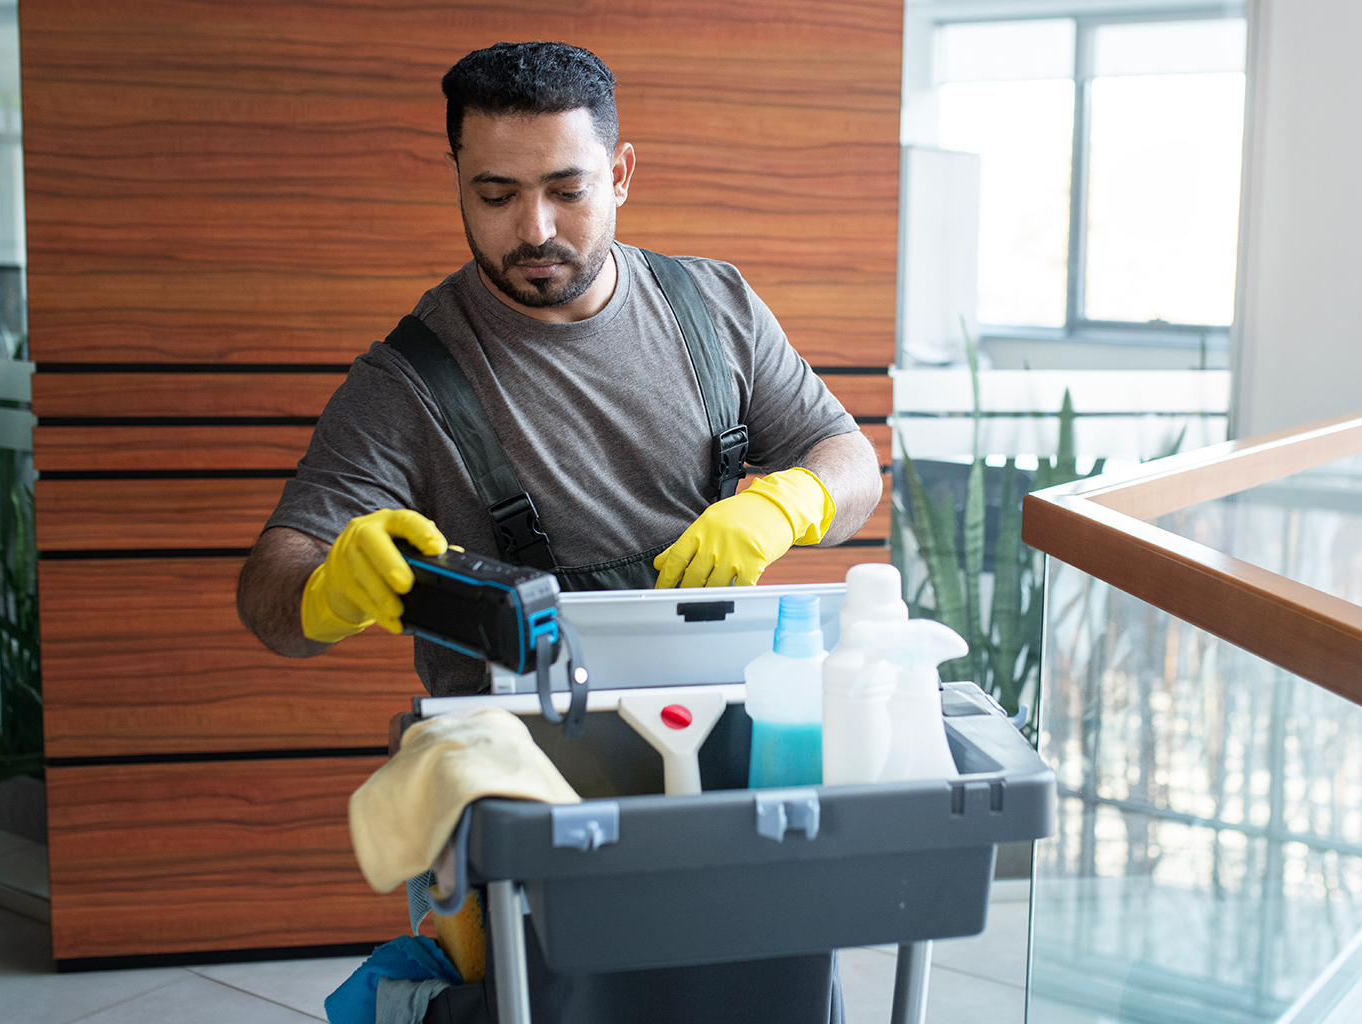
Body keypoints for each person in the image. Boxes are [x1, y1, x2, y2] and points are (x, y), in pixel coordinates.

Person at [236, 41, 881, 699]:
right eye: (495, 196)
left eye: (567, 190)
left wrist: (788, 503)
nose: (535, 229)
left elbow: (852, 463)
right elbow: (271, 599)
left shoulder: (716, 305)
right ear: (457, 179)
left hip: (717, 708)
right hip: (516, 752)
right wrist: (328, 591)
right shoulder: (407, 381)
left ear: (621, 174)